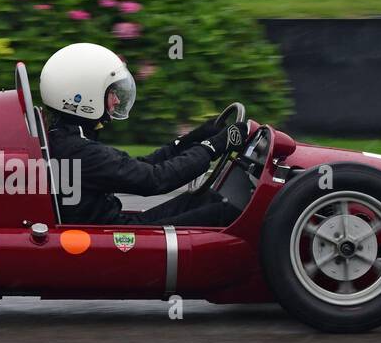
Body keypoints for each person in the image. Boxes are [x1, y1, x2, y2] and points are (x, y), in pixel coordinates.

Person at [41, 43, 245, 227]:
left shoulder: (66, 138)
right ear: (85, 96)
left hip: (107, 227)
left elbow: (140, 167)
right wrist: (212, 147)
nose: (117, 101)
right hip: (111, 236)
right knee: (224, 214)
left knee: (203, 199)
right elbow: (155, 179)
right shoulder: (80, 150)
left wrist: (191, 139)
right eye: (112, 93)